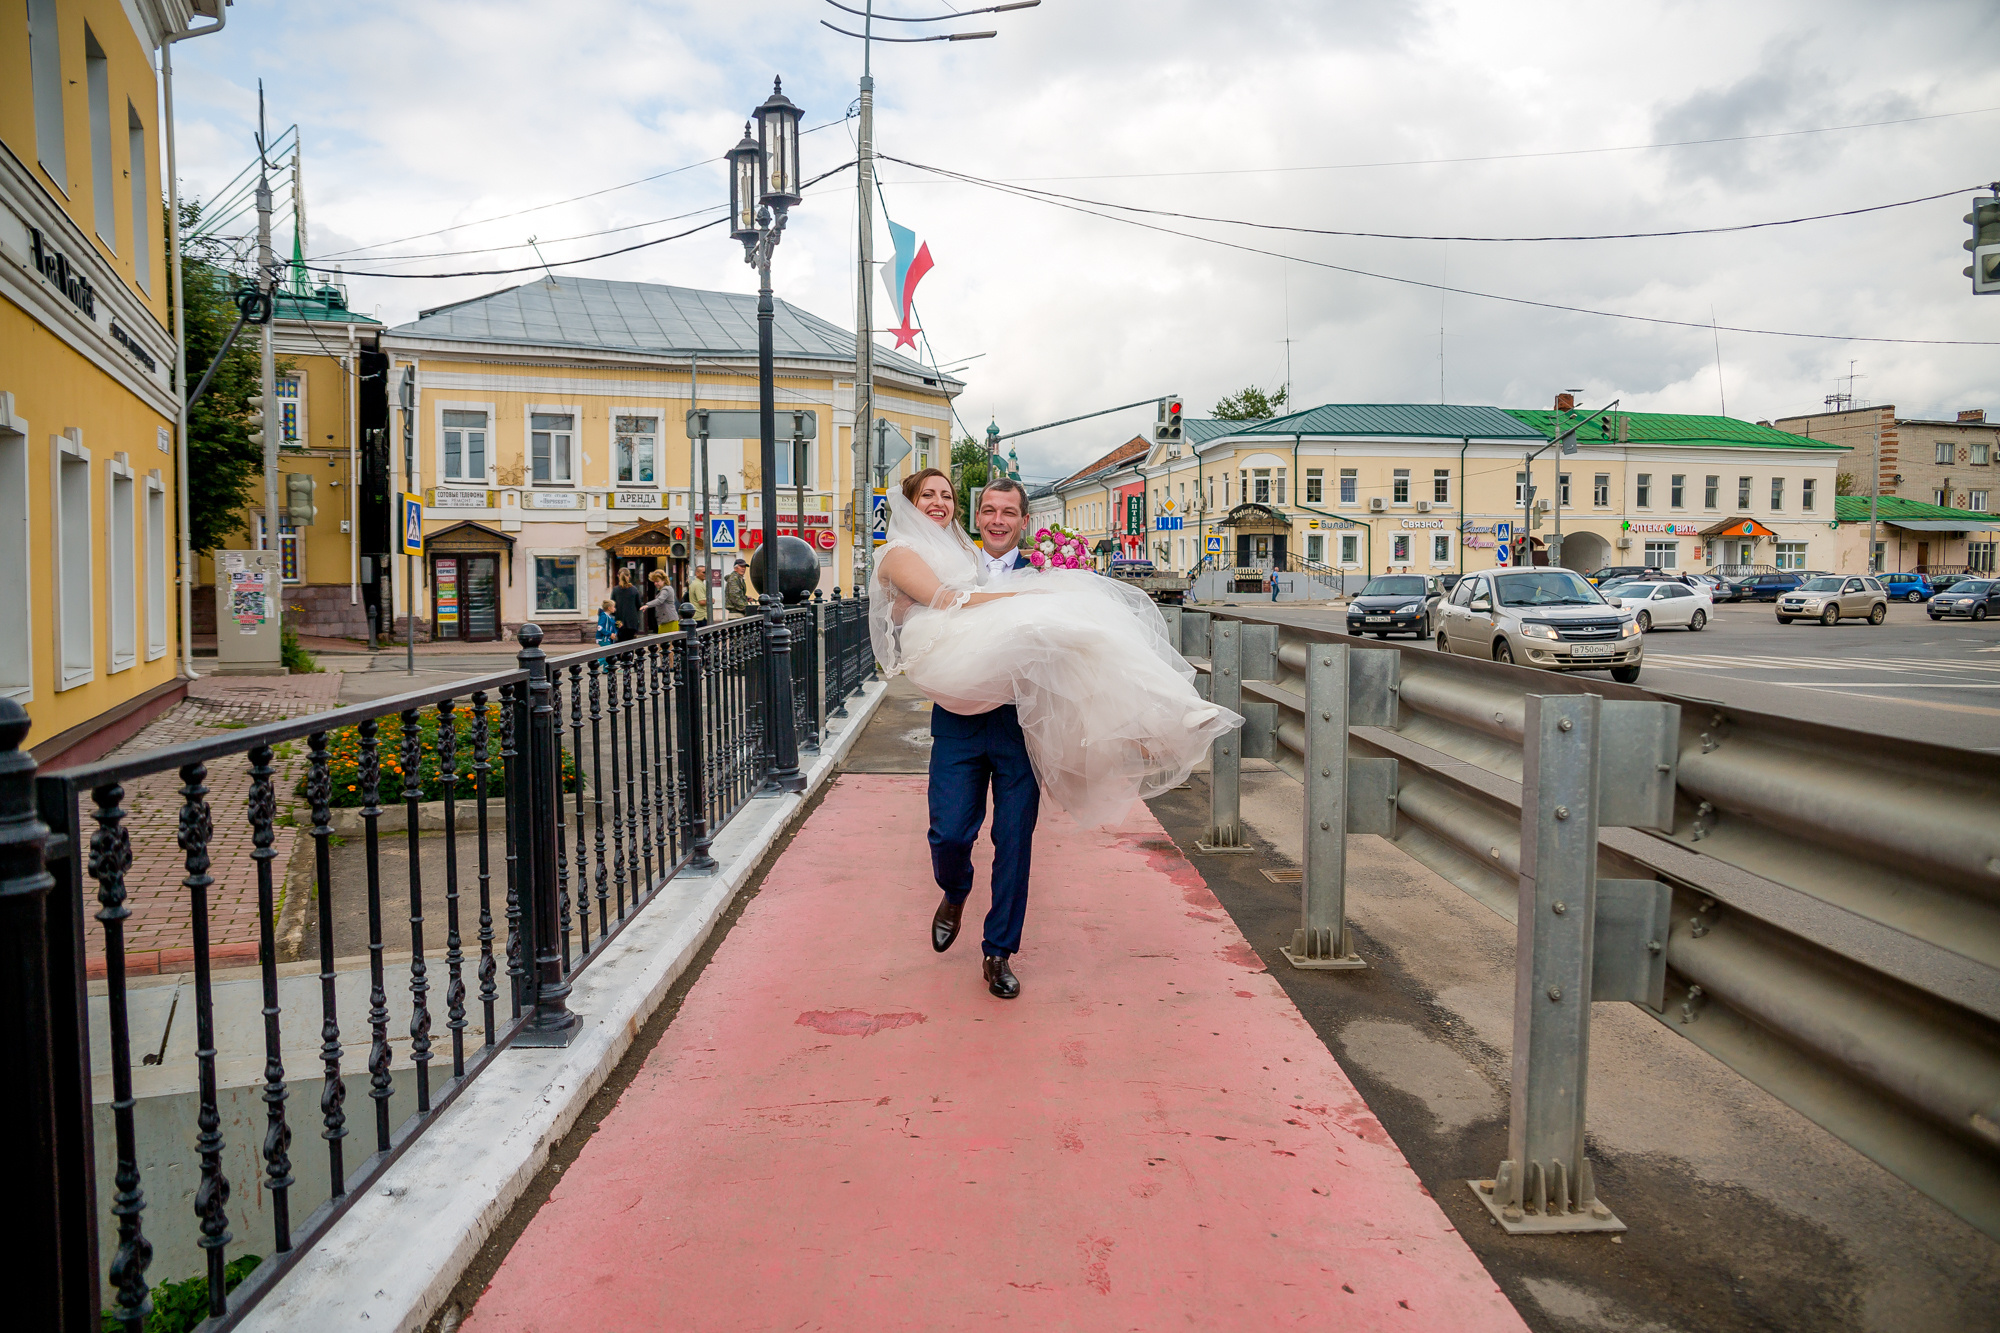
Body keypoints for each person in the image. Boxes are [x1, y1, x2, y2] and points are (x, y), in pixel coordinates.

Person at [873, 469, 1240, 1000]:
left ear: (1025, 522)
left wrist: (1053, 593)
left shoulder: (1043, 569)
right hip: (958, 719)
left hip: (1023, 722)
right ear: (977, 517)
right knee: (950, 832)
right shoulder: (946, 560)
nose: (997, 521)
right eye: (988, 511)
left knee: (1014, 840)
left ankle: (998, 952)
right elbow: (911, 611)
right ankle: (954, 890)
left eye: (1008, 513)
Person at [642, 568, 681, 635]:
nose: (655, 584)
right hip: (665, 620)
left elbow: (660, 600)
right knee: (664, 642)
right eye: (654, 582)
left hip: (669, 620)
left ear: (664, 580)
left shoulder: (666, 589)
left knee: (667, 642)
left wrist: (647, 605)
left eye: (657, 581)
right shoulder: (663, 589)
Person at [611, 570, 644, 642]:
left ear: (618, 576)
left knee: (619, 643)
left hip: (619, 621)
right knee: (630, 643)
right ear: (629, 576)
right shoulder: (634, 589)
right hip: (632, 622)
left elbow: (612, 607)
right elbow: (639, 606)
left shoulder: (615, 590)